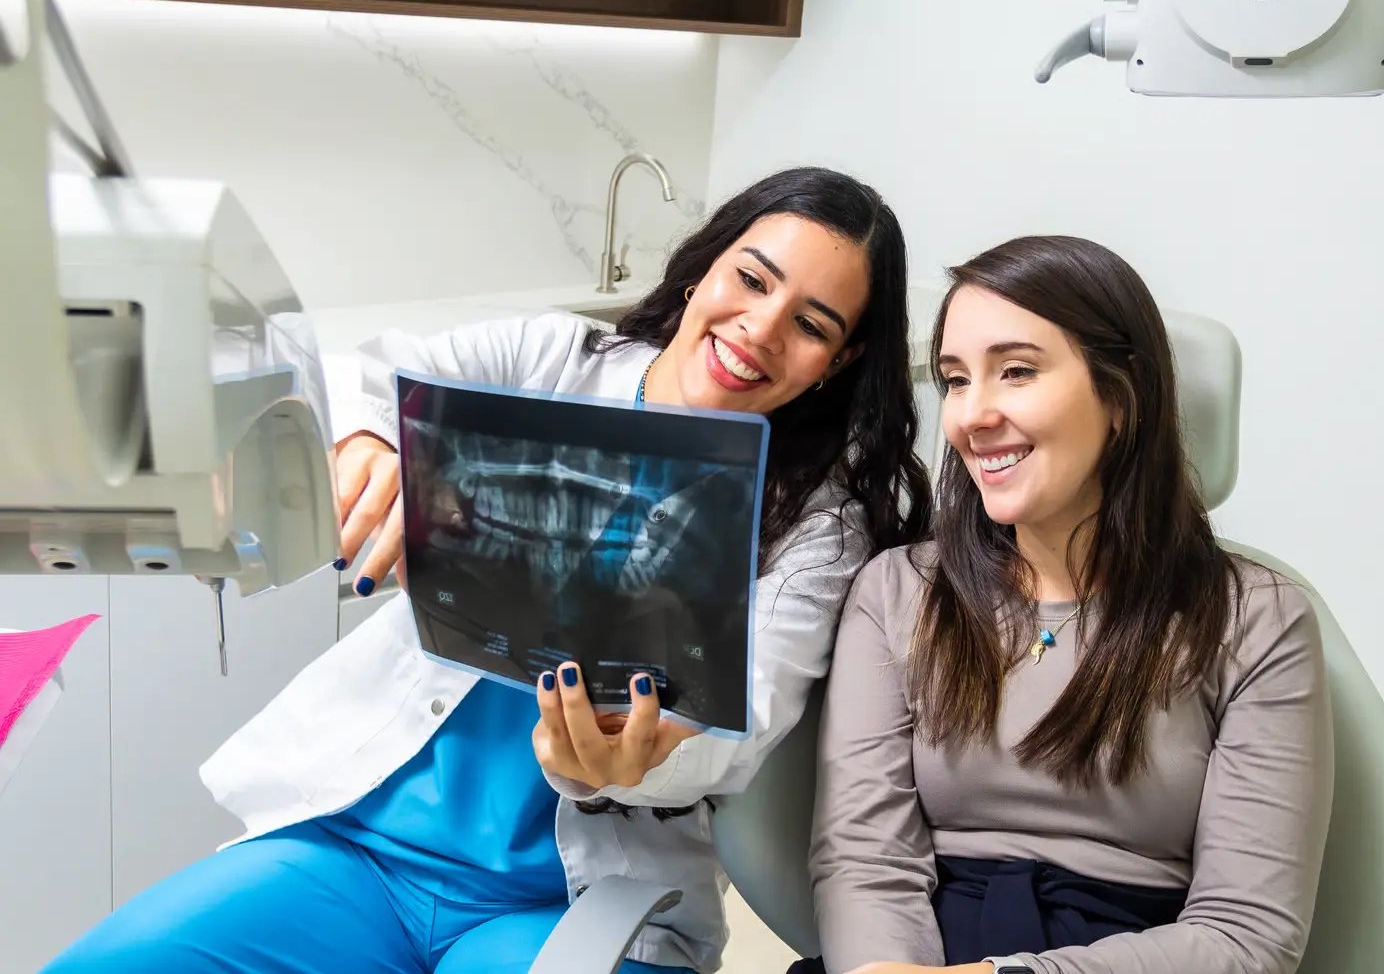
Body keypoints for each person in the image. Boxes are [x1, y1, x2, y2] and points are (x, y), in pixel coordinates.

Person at [45, 166, 932, 974]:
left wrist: (634, 758)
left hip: (572, 900)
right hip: (362, 849)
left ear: (839, 361)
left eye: (811, 325)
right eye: (752, 279)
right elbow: (357, 376)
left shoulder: (820, 530)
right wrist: (369, 439)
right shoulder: (549, 360)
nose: (760, 329)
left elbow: (740, 726)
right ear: (706, 267)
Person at [804, 236, 1334, 974]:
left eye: (1016, 371)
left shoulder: (1258, 620)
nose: (971, 415)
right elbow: (866, 859)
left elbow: (1247, 936)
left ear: (1120, 396)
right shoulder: (897, 591)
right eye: (955, 380)